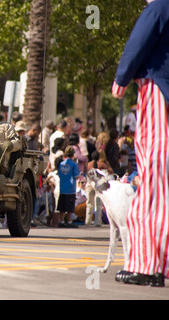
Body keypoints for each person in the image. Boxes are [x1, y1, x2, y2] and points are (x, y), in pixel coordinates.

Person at [111, 0, 169, 287]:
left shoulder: (159, 7)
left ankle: (147, 265)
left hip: (157, 90)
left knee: (153, 184)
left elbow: (137, 43)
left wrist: (121, 79)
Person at [85, 150, 113, 226]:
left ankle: (88, 221)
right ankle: (97, 221)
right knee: (98, 204)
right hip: (98, 184)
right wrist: (108, 164)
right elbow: (110, 171)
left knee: (89, 203)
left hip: (89, 184)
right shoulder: (102, 165)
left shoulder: (88, 165)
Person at [55, 146, 80, 228]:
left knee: (62, 206)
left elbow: (59, 174)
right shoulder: (74, 164)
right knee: (69, 207)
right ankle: (68, 221)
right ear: (73, 154)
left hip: (62, 187)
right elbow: (76, 176)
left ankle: (61, 221)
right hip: (70, 188)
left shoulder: (61, 164)